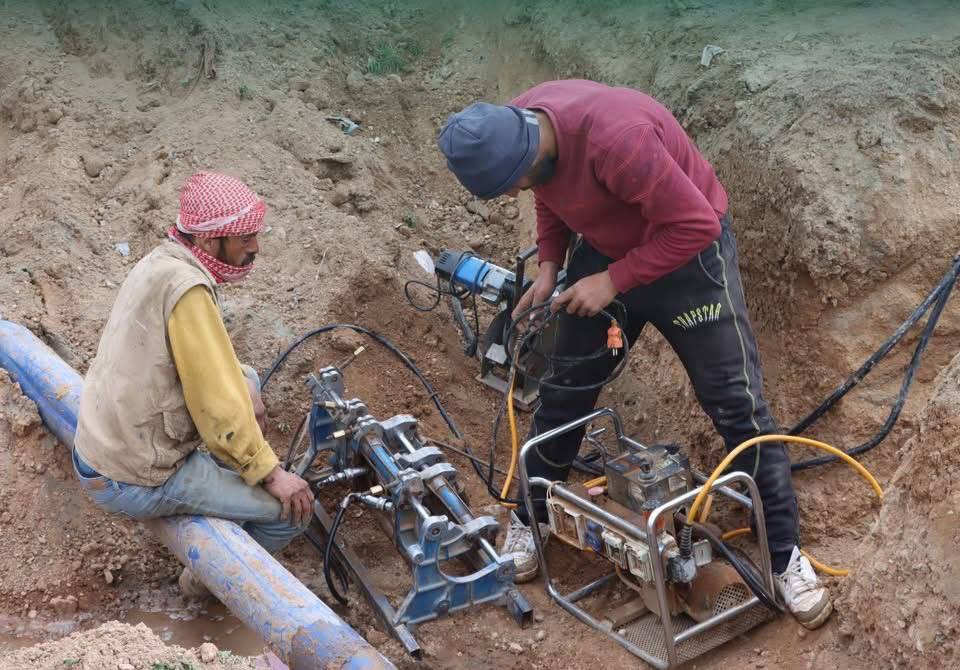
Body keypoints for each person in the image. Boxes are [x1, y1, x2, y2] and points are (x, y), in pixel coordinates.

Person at [437, 80, 831, 629]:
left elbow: (695, 224)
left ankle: (786, 558)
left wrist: (613, 282)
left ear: (527, 150)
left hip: (688, 257)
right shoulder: (523, 125)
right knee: (565, 391)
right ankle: (531, 516)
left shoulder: (618, 141)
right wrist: (550, 265)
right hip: (605, 252)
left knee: (736, 404)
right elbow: (549, 192)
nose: (511, 197)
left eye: (510, 186)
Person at [73, 171, 314, 598]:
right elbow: (216, 406)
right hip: (134, 475)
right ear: (207, 239)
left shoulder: (161, 262)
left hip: (106, 443)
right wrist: (271, 473)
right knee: (291, 512)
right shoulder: (189, 291)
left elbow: (207, 368)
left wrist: (245, 390)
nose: (255, 247)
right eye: (244, 238)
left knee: (247, 379)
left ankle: (229, 488)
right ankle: (204, 588)